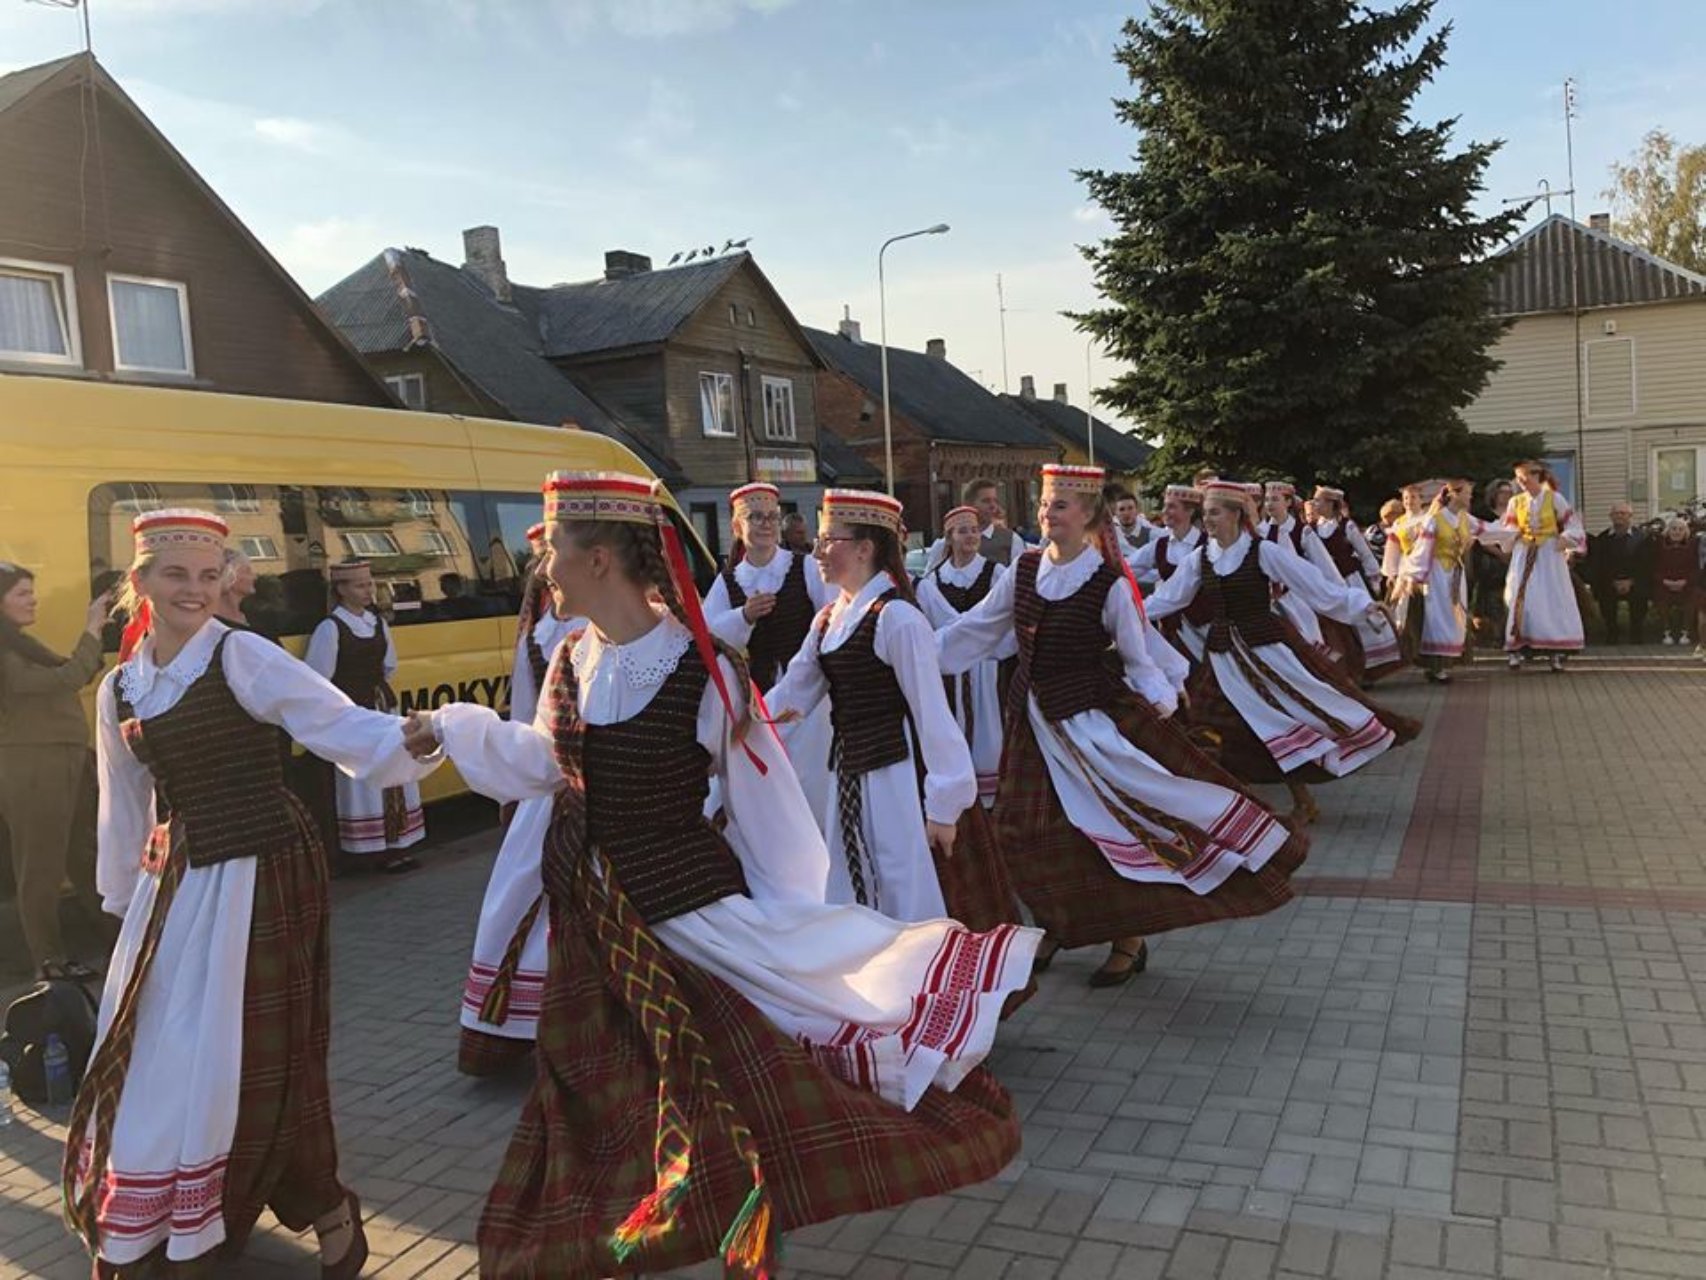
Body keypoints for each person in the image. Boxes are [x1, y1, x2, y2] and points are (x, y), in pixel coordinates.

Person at [404, 470, 1038, 1278]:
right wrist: (449, 729)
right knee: (589, 1102)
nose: (542, 567)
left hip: (686, 923)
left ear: (599, 559)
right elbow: (541, 758)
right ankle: (628, 1235)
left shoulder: (706, 670)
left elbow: (770, 819)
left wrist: (791, 943)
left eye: (554, 548)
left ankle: (711, 1225)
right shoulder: (570, 657)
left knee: (705, 1098)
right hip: (591, 924)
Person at [64, 509, 434, 1279]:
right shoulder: (120, 689)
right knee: (164, 1050)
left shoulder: (242, 656)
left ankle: (322, 1206)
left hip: (265, 866)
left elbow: (340, 725)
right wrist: (121, 903)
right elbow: (122, 804)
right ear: (140, 582)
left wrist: (416, 740)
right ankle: (163, 1218)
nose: (194, 590)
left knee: (260, 1052)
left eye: (208, 576)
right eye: (176, 574)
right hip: (177, 878)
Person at [938, 464, 1309, 988]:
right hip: (1031, 723)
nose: (1047, 513)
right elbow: (974, 629)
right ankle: (1055, 924)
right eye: (1044, 504)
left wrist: (1163, 702)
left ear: (1089, 513)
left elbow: (1139, 659)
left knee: (1104, 829)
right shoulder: (1024, 568)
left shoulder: (1108, 584)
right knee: (1023, 832)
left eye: (1059, 505)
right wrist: (911, 657)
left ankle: (1127, 939)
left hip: (1090, 724)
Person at [1146, 481, 1418, 824]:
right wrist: (1122, 615)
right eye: (1206, 513)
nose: (1208, 520)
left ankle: (1300, 800)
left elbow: (1313, 584)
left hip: (1266, 651)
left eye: (1215, 512)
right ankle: (1246, 804)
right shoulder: (1200, 558)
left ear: (1236, 514)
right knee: (1216, 723)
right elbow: (1168, 598)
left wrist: (1360, 604)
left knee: (1278, 719)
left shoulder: (1263, 552)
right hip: (1222, 656)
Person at [766, 489, 976, 922]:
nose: (817, 552)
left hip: (896, 773)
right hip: (848, 769)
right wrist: (740, 726)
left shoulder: (897, 619)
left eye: (829, 540)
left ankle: (916, 962)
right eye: (818, 540)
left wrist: (944, 805)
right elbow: (792, 695)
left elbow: (932, 714)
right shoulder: (829, 619)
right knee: (850, 877)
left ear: (864, 549)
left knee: (902, 881)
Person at [459, 524, 583, 1075]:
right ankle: (519, 1025)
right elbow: (527, 709)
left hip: (588, 778)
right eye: (540, 560)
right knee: (521, 893)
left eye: (552, 556)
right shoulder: (538, 629)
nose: (546, 570)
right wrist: (515, 783)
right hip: (546, 778)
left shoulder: (593, 622)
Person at [0, 562, 110, 979]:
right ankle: (49, 964)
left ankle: (120, 940)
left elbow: (71, 671)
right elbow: (66, 678)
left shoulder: (20, 644)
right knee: (40, 868)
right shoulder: (7, 653)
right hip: (33, 766)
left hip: (60, 759)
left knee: (83, 856)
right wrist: (92, 629)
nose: (33, 600)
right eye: (22, 593)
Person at [702, 482, 836, 822]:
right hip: (755, 696)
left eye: (772, 517)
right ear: (737, 526)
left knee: (810, 780)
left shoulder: (804, 567)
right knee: (764, 782)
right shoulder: (728, 581)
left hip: (807, 696)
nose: (765, 524)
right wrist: (743, 617)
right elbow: (707, 638)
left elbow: (833, 617)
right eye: (755, 517)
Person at [305, 561, 426, 871]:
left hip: (382, 708)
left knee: (393, 769)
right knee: (365, 776)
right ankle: (369, 850)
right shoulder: (330, 628)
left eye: (369, 584)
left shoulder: (377, 623)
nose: (368, 590)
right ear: (341, 589)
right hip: (353, 713)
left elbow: (389, 665)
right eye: (360, 585)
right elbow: (318, 677)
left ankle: (398, 843)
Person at [915, 505, 1014, 806]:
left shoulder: (996, 573)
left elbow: (1007, 620)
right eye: (963, 531)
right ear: (949, 537)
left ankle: (990, 798)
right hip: (950, 671)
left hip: (987, 666)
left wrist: (988, 646)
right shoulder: (934, 580)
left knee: (989, 727)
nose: (970, 536)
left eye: (974, 530)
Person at [1309, 486, 1404, 683]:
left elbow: (1365, 554)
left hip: (1350, 582)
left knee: (1361, 624)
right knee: (1337, 628)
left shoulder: (1346, 526)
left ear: (1330, 504)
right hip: (1328, 586)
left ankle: (1368, 670)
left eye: (1318, 501)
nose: (1314, 504)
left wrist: (1374, 581)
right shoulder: (1312, 529)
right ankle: (1347, 670)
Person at [1500, 461, 1587, 671]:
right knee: (1521, 596)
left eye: (1525, 477)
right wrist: (1510, 535)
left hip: (1548, 554)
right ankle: (1516, 647)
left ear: (1537, 476)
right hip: (1524, 552)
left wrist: (1566, 538)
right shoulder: (1516, 502)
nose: (1521, 482)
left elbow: (1573, 524)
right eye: (1518, 478)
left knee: (1552, 597)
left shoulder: (1554, 498)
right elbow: (1509, 527)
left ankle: (1555, 650)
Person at [1406, 480, 1494, 683]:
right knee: (1438, 616)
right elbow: (1422, 549)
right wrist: (1415, 576)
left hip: (1456, 573)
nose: (1470, 497)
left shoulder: (1464, 518)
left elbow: (1487, 530)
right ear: (1454, 494)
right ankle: (1435, 666)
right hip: (1437, 573)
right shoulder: (1434, 519)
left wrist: (1516, 531)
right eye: (1467, 493)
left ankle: (1444, 663)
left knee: (1455, 616)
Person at [1127, 485, 1210, 668]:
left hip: (1202, 631)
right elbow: (1126, 570)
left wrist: (1132, 614)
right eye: (1165, 506)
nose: (1165, 511)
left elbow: (1175, 595)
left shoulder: (1207, 545)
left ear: (1189, 511)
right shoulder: (1160, 545)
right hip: (1169, 629)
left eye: (1172, 506)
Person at [1258, 481, 1337, 659]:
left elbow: (1323, 563)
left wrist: (1333, 592)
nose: (1269, 504)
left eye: (1275, 499)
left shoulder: (1302, 531)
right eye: (1267, 500)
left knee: (1309, 636)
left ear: (1288, 502)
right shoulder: (1262, 532)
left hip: (1299, 594)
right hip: (1272, 599)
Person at [1589, 501, 1654, 645]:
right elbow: (1599, 566)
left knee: (1640, 595)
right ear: (1611, 516)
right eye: (1616, 513)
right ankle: (1612, 632)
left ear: (1630, 516)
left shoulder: (1643, 538)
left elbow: (1646, 565)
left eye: (1623, 513)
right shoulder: (1602, 539)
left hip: (1635, 581)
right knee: (1604, 594)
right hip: (1610, 582)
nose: (1619, 516)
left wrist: (1630, 581)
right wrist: (1614, 582)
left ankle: (1636, 633)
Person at [927, 478, 1029, 568]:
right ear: (968, 504)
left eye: (995, 501)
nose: (993, 506)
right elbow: (930, 578)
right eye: (986, 501)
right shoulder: (945, 544)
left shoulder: (1012, 540)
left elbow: (1022, 576)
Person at [1470, 479, 1514, 647]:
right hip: (1490, 560)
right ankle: (1491, 633)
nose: (1506, 496)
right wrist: (1501, 554)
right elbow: (1481, 538)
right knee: (1491, 597)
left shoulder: (1514, 514)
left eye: (1509, 492)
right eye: (1503, 492)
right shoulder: (1484, 514)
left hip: (1511, 558)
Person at [1652, 515, 1699, 646]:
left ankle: (1686, 632)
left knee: (1693, 595)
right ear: (1668, 531)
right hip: (1664, 583)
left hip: (1686, 584)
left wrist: (1685, 581)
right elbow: (1654, 568)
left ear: (1685, 532)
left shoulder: (1692, 547)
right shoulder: (1659, 547)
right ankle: (1666, 632)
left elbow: (1696, 569)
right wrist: (1665, 581)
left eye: (1680, 529)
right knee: (1660, 595)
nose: (1677, 532)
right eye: (1674, 529)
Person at [215, 548, 256, 629]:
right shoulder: (213, 623)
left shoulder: (250, 616)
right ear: (229, 576)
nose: (254, 577)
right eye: (247, 571)